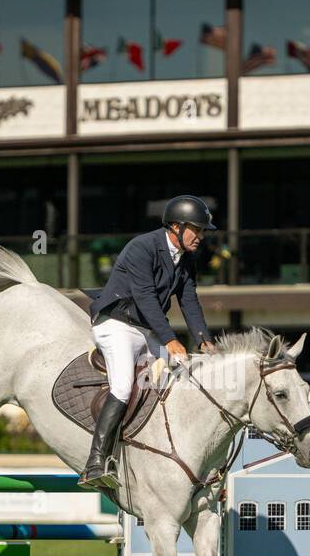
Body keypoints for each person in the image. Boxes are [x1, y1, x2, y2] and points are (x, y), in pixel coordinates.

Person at [79, 194, 218, 489]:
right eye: (198, 229)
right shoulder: (142, 247)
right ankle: (95, 462)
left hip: (146, 328)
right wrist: (170, 340)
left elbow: (189, 300)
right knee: (122, 386)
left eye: (204, 230)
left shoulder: (186, 258)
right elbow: (144, 298)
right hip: (116, 324)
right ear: (177, 227)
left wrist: (204, 340)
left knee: (186, 377)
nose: (202, 236)